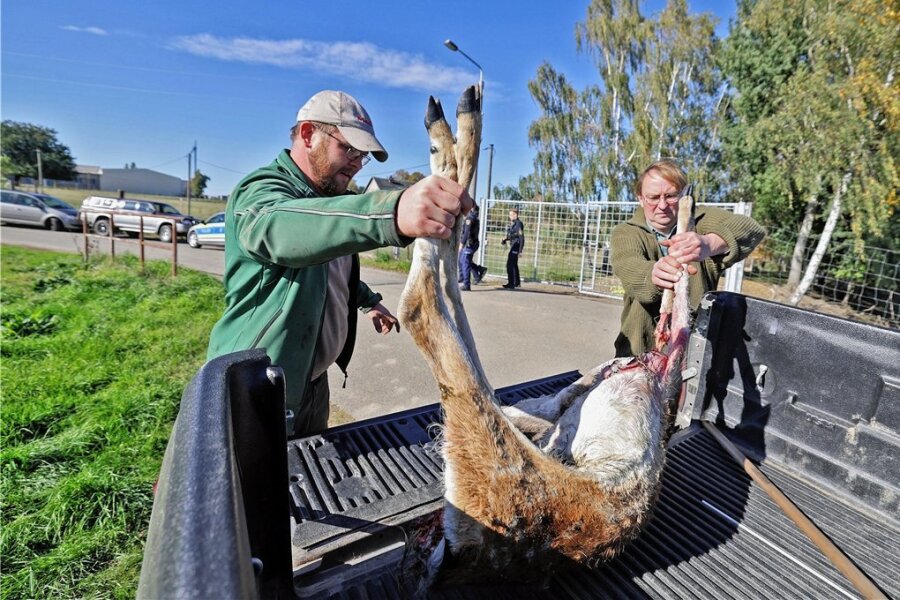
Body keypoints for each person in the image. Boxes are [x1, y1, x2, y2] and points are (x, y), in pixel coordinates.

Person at [206, 90, 473, 437]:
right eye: (348, 149)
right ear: (307, 135)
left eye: (363, 156)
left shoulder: (329, 199)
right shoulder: (261, 191)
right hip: (254, 388)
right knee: (251, 488)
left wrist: (368, 301)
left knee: (306, 482)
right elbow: (281, 228)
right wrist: (392, 213)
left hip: (312, 383)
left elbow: (331, 269)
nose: (356, 163)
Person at [610, 159, 766, 357]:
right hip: (639, 349)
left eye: (671, 196)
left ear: (685, 195)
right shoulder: (626, 232)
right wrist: (653, 274)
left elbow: (751, 229)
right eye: (653, 197)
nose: (662, 205)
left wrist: (710, 243)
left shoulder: (701, 221)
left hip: (696, 351)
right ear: (640, 198)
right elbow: (628, 265)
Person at [458, 203, 486, 290]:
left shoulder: (469, 218)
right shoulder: (475, 218)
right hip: (473, 243)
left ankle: (466, 284)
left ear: (471, 209)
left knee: (465, 263)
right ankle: (478, 272)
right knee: (462, 260)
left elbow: (466, 233)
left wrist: (461, 244)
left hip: (469, 244)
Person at [501, 208, 525, 289]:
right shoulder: (514, 224)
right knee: (514, 265)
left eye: (511, 215)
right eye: (509, 214)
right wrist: (506, 238)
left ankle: (511, 283)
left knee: (510, 265)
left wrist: (520, 251)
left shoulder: (518, 224)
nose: (509, 216)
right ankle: (516, 282)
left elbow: (521, 237)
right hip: (513, 245)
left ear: (516, 215)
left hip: (516, 246)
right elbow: (514, 235)